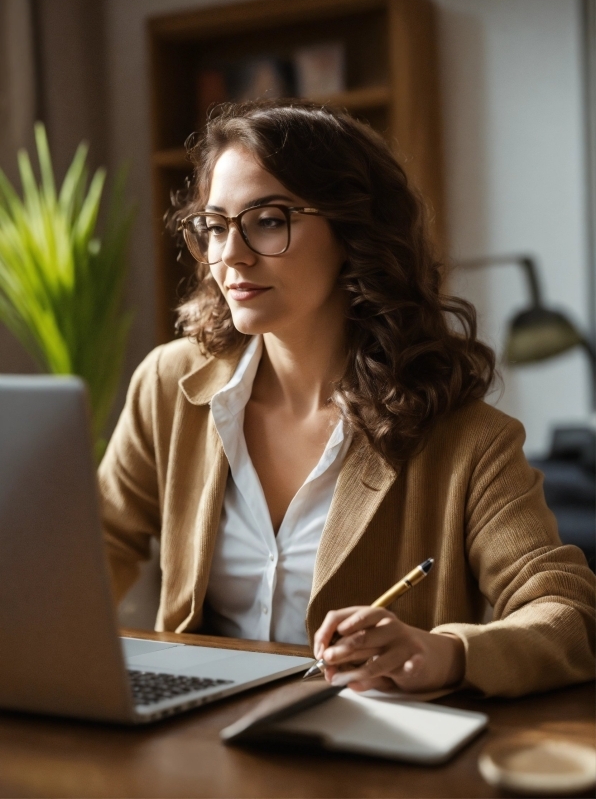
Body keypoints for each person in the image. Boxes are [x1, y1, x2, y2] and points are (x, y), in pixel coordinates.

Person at [99, 100, 595, 698]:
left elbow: (566, 611)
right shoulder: (169, 386)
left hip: (365, 753)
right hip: (195, 736)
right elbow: (101, 542)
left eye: (269, 220)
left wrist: (446, 651)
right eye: (214, 224)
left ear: (353, 232)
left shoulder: (469, 441)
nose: (230, 254)